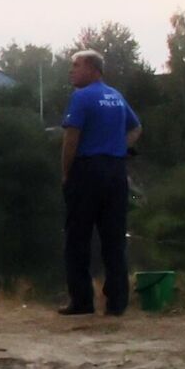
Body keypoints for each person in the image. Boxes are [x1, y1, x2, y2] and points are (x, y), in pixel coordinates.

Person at [58, 49, 142, 317]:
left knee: (77, 238)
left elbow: (71, 139)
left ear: (93, 69)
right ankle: (117, 302)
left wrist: (66, 173)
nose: (71, 70)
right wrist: (119, 146)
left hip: (87, 170)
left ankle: (82, 301)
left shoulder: (81, 97)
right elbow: (137, 128)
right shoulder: (116, 96)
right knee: (114, 239)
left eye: (76, 65)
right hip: (116, 172)